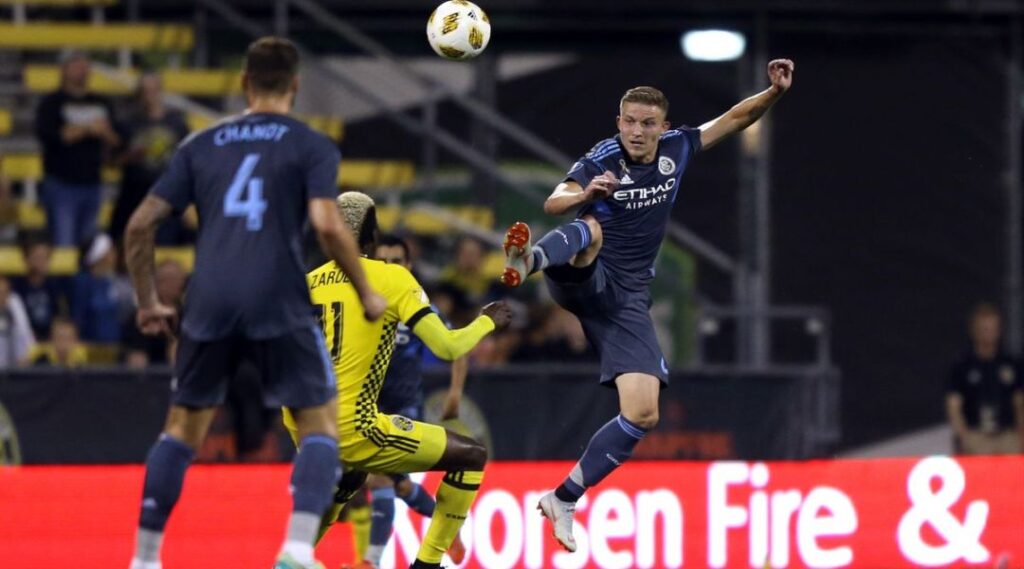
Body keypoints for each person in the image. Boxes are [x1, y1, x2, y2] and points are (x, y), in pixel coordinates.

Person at [499, 61, 795, 551]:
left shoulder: (679, 147)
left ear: (663, 126)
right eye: (630, 121)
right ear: (618, 122)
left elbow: (735, 119)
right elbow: (554, 200)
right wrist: (585, 192)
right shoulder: (603, 157)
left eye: (647, 123)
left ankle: (564, 497)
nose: (637, 131)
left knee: (643, 412)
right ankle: (527, 260)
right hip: (584, 277)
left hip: (627, 301)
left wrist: (774, 92)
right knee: (592, 229)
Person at [123, 37, 386, 569]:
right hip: (277, 295)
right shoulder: (311, 145)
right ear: (295, 86)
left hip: (209, 297)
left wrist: (148, 300)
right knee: (319, 423)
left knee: (181, 430)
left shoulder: (200, 145)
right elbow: (326, 223)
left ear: (244, 83)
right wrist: (366, 289)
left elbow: (140, 225)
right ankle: (297, 547)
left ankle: (145, 558)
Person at [282, 192, 511, 569]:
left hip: (304, 421)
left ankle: (294, 557)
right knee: (471, 455)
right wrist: (487, 321)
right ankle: (428, 563)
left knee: (352, 478)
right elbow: (448, 347)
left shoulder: (307, 282)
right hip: (354, 425)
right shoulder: (390, 278)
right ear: (373, 239)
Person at [351, 234, 470, 569]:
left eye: (397, 261)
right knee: (399, 485)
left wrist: (455, 394)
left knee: (380, 479)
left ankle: (371, 561)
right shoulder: (361, 302)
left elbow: (456, 345)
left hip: (405, 408)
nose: (390, 266)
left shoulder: (415, 304)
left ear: (409, 265)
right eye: (383, 261)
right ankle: (447, 527)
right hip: (367, 407)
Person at [34, 50, 120, 246]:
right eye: (77, 65)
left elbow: (116, 140)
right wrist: (89, 128)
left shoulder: (102, 101)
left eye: (85, 66)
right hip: (61, 183)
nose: (82, 70)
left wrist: (102, 132)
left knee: (89, 245)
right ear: (64, 70)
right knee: (63, 243)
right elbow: (54, 136)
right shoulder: (52, 102)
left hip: (93, 182)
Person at [110, 72, 192, 246]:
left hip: (167, 197)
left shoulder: (177, 123)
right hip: (134, 195)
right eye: (146, 91)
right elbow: (112, 160)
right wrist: (131, 156)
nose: (150, 96)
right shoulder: (128, 123)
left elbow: (188, 160)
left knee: (164, 245)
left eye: (154, 90)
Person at [946, 303, 1024, 454]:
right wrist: (963, 437)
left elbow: (1019, 402)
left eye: (993, 329)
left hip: (1007, 435)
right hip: (976, 435)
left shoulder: (1011, 364)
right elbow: (954, 406)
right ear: (974, 331)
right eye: (984, 329)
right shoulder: (962, 366)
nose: (989, 334)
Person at [71, 232, 134, 343]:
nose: (115, 255)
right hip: (90, 345)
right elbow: (78, 317)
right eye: (110, 251)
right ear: (101, 256)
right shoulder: (83, 283)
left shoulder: (116, 281)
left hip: (116, 344)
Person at [11, 239, 68, 341]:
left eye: (46, 257)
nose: (42, 262)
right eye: (38, 257)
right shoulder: (17, 286)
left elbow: (59, 315)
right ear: (27, 259)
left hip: (50, 339)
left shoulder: (53, 285)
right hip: (24, 338)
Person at [0, 275, 35, 368]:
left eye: (5, 292)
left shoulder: (15, 304)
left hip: (15, 366)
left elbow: (26, 334)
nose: (2, 297)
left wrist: (27, 355)